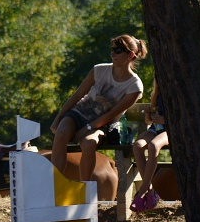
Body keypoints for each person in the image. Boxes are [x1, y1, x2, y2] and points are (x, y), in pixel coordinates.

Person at [51, 34, 147, 183]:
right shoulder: (99, 70)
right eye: (113, 49)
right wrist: (57, 120)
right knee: (61, 133)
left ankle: (85, 189)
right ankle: (55, 184)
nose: (113, 53)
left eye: (118, 50)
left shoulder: (134, 86)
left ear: (131, 55)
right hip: (77, 115)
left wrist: (88, 127)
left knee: (89, 143)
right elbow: (76, 96)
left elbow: (112, 114)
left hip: (103, 125)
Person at [130, 78, 168, 212]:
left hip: (169, 130)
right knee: (138, 146)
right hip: (154, 129)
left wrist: (165, 120)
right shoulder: (156, 94)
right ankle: (150, 191)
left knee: (153, 146)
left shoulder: (175, 92)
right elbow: (148, 121)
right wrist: (148, 113)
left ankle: (141, 192)